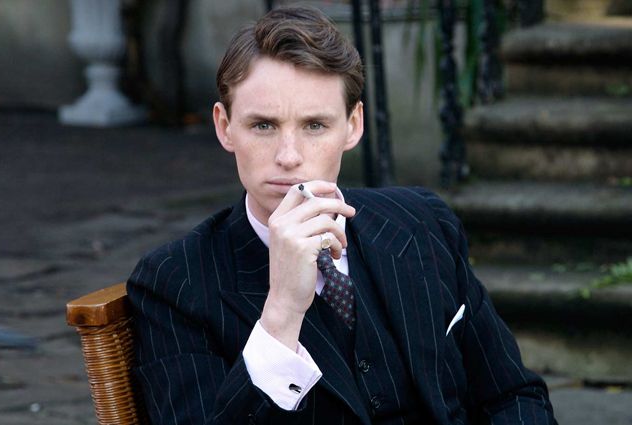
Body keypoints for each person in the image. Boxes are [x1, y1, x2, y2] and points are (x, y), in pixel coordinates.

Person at [127, 5, 557, 424]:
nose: (289, 157)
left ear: (353, 126)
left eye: (315, 125)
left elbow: (512, 393)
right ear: (225, 127)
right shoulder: (175, 282)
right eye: (263, 125)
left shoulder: (423, 222)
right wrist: (282, 311)